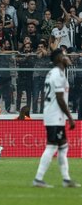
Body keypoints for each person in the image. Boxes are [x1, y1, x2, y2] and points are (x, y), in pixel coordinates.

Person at [33, 49, 81, 188]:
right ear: (60, 58)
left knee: (63, 147)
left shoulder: (54, 73)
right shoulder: (57, 75)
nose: (68, 57)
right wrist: (70, 117)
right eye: (65, 55)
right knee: (52, 146)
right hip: (54, 116)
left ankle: (66, 179)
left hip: (55, 116)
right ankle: (38, 178)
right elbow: (60, 99)